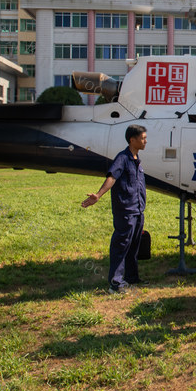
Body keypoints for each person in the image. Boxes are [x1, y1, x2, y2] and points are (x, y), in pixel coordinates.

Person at [81, 124, 148, 294]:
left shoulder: (136, 160)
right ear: (132, 140)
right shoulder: (123, 158)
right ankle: (115, 284)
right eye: (143, 138)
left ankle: (132, 278)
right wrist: (98, 194)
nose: (145, 141)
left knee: (133, 246)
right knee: (121, 246)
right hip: (125, 210)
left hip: (138, 210)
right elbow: (112, 177)